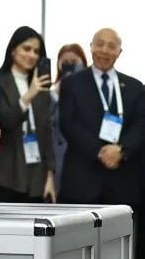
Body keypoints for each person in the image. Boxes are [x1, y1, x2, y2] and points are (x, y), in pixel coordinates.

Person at [59, 29, 145, 259]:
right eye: (100, 44)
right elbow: (68, 124)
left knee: (118, 251)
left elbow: (141, 125)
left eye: (111, 46)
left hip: (123, 183)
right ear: (91, 46)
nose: (105, 50)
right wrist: (99, 152)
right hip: (81, 181)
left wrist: (122, 150)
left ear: (119, 51)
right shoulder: (71, 85)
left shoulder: (136, 88)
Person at [0, 26, 56, 203]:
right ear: (13, 50)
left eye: (37, 51)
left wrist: (50, 176)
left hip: (35, 176)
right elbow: (4, 120)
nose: (32, 55)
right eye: (27, 48)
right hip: (3, 175)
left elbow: (46, 133)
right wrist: (29, 95)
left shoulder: (42, 89)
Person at [51, 43, 88, 191]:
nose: (69, 65)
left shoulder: (90, 90)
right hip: (57, 157)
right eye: (65, 62)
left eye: (74, 61)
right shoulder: (51, 92)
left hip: (84, 156)